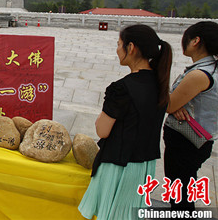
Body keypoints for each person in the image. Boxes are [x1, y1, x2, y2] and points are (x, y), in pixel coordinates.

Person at [78, 24, 172, 220]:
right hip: (144, 166)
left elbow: (102, 130)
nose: (117, 49)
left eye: (119, 44)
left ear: (131, 48)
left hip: (119, 166)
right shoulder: (160, 84)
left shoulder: (121, 88)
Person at [164, 21, 218, 212]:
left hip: (185, 142)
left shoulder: (200, 74)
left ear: (196, 40)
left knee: (180, 195)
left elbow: (169, 104)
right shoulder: (212, 69)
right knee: (184, 188)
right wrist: (177, 104)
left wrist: (174, 105)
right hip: (198, 142)